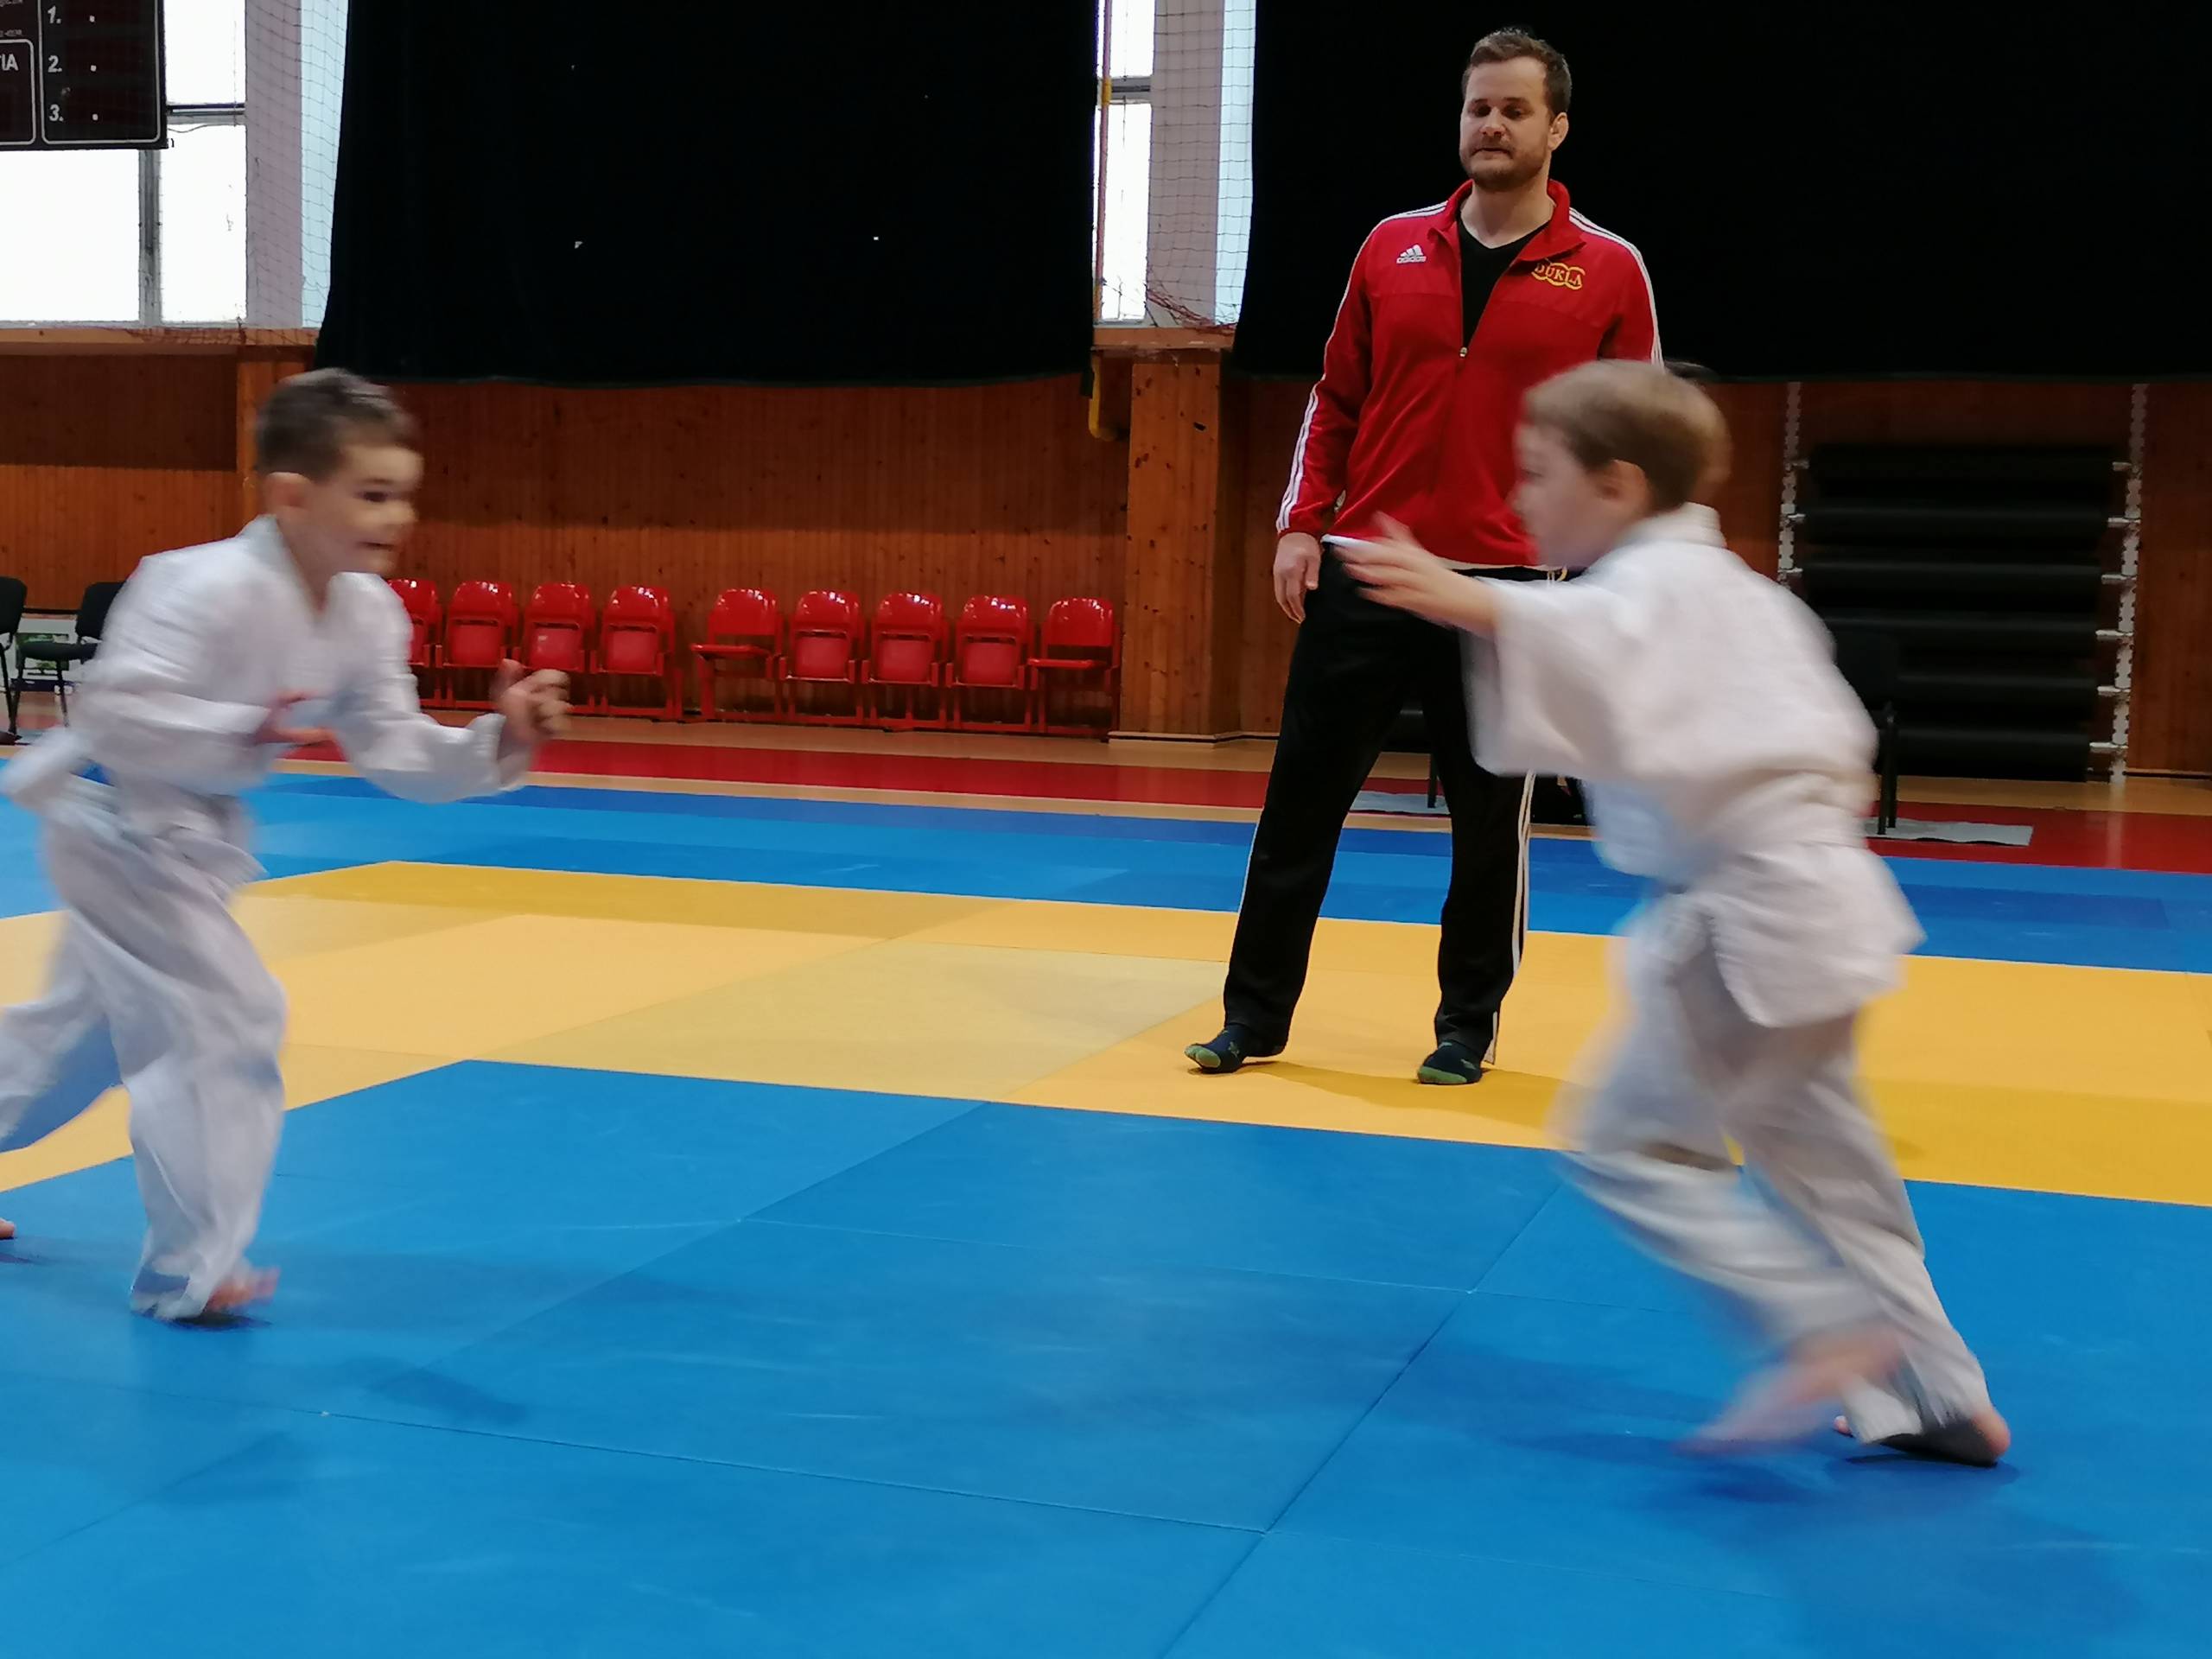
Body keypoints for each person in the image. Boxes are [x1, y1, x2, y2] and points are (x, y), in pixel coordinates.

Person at [1332, 360, 2008, 1463]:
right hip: (1829, 911)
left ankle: (1821, 1325)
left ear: (1617, 485)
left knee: (1629, 1151)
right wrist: (1496, 605)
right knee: (1834, 1178)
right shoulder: (1743, 592)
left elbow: (1599, 637)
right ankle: (1939, 1393)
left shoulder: (1650, 591)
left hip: (1741, 920)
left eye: (1536, 474)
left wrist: (1470, 597)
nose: (1518, 498)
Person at [0, 369, 570, 1319]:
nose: (398, 517)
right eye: (373, 494)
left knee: (77, 1043)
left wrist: (496, 740)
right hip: (112, 819)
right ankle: (190, 1266)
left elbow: (391, 747)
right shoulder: (193, 581)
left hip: (190, 834)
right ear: (292, 496)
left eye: (405, 495)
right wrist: (240, 727)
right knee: (228, 1014)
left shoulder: (366, 611)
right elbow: (114, 715)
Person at [1190, 29, 1660, 1085]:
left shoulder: (1608, 269)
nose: (1490, 126)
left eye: (1513, 110)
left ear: (1555, 128)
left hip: (1508, 592)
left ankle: (1466, 1027)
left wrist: (1608, 584)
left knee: (1491, 826)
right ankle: (1250, 1019)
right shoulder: (1389, 247)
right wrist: (1300, 523)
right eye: (1477, 108)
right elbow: (1335, 397)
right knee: (1298, 806)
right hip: (1368, 564)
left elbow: (1637, 439)